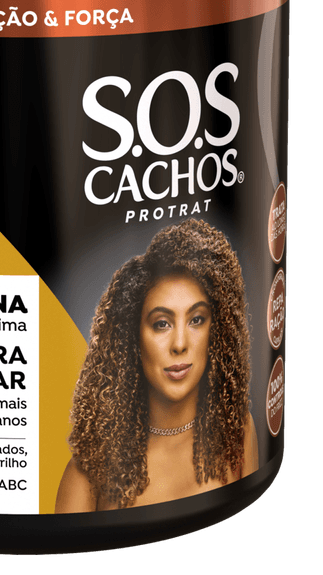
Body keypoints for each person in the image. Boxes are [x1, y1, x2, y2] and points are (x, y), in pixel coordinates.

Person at [56, 219, 258, 512]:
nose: (180, 344)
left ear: (217, 330)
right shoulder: (90, 469)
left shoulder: (236, 431)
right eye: (161, 324)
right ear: (132, 338)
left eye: (196, 319)